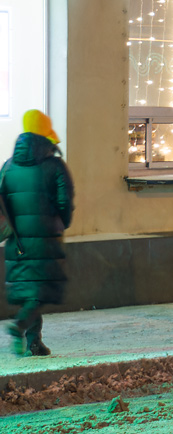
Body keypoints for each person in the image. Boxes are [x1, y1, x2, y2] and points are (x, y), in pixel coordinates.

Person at [0, 110, 75, 357]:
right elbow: (65, 202)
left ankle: (35, 342)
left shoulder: (8, 166)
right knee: (42, 291)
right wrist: (60, 223)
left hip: (17, 240)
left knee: (30, 290)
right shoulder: (54, 165)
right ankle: (19, 326)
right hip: (45, 239)